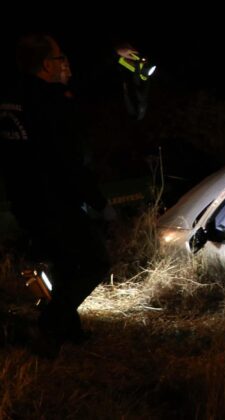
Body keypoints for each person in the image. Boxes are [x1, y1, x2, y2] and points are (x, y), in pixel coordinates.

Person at [0, 34, 112, 356]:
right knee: (94, 262)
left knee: (65, 265)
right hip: (55, 202)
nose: (66, 65)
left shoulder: (11, 97)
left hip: (24, 201)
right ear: (47, 65)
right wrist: (100, 203)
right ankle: (49, 325)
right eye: (61, 58)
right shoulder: (50, 102)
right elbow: (67, 162)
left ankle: (68, 332)